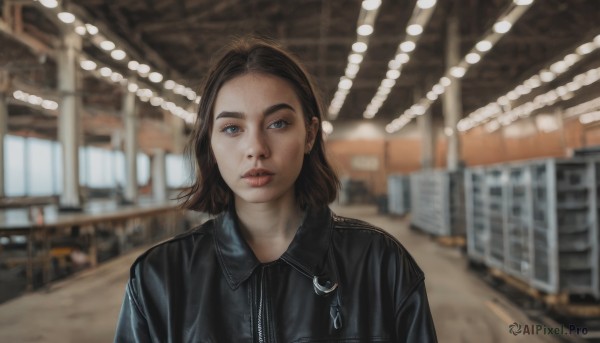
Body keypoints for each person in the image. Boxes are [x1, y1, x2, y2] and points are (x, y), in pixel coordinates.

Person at [114, 37, 437, 342]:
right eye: (231, 128)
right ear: (209, 143)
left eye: (278, 123)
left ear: (310, 135)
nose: (255, 148)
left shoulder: (381, 264)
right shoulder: (160, 278)